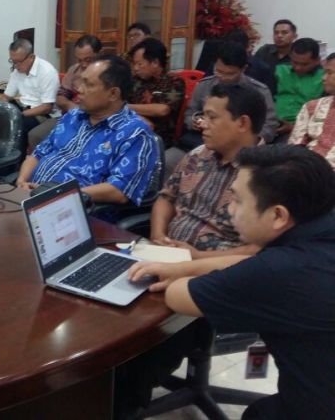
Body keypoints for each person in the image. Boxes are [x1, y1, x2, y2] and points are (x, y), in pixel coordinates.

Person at [128, 145, 335, 419]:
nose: (229, 209)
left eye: (237, 200)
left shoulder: (281, 270)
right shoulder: (319, 233)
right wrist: (187, 266)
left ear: (277, 216)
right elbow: (253, 263)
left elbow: (179, 295)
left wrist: (176, 272)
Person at [16, 55, 157, 210]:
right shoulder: (72, 116)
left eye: (88, 84)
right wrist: (22, 181)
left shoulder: (135, 133)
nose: (79, 89)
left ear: (113, 94)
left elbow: (119, 190)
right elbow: (38, 153)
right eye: (81, 81)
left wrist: (57, 194)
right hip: (32, 198)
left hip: (75, 210)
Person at [150, 84, 265, 258]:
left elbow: (259, 250)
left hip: (217, 269)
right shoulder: (197, 155)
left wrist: (197, 257)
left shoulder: (266, 175)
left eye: (212, 118)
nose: (202, 124)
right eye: (202, 116)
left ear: (242, 123)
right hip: (167, 254)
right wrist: (158, 235)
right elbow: (166, 198)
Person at [177, 42, 278, 149]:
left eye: (230, 74)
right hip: (202, 141)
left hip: (242, 145)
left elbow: (270, 125)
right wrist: (193, 122)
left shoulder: (259, 91)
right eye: (218, 71)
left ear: (243, 69)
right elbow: (190, 113)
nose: (223, 77)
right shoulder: (204, 86)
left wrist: (251, 139)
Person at [0, 37, 59, 147]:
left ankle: (16, 157)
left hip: (42, 113)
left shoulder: (47, 72)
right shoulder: (17, 71)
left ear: (31, 57)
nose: (15, 66)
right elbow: (6, 96)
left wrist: (20, 115)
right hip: (23, 109)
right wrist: (1, 109)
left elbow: (47, 107)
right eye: (12, 61)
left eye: (18, 62)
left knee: (18, 127)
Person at [127, 37, 184, 147]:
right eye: (134, 64)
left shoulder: (173, 81)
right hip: (132, 131)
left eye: (139, 64)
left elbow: (162, 109)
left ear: (155, 62)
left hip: (158, 139)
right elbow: (117, 105)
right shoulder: (134, 81)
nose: (135, 68)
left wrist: (126, 107)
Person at [287, 52, 335, 167]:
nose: (323, 78)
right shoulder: (312, 107)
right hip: (308, 171)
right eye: (324, 72)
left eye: (329, 73)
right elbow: (294, 147)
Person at [274, 37, 324, 137]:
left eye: (304, 64)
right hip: (274, 125)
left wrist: (293, 128)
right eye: (294, 62)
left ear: (317, 60)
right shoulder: (279, 71)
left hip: (304, 131)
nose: (298, 68)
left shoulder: (324, 78)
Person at [56, 34, 102, 114]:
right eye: (79, 60)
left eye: (88, 60)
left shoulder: (108, 73)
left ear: (100, 54)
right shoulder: (74, 69)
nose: (83, 65)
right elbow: (60, 99)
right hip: (72, 114)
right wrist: (77, 110)